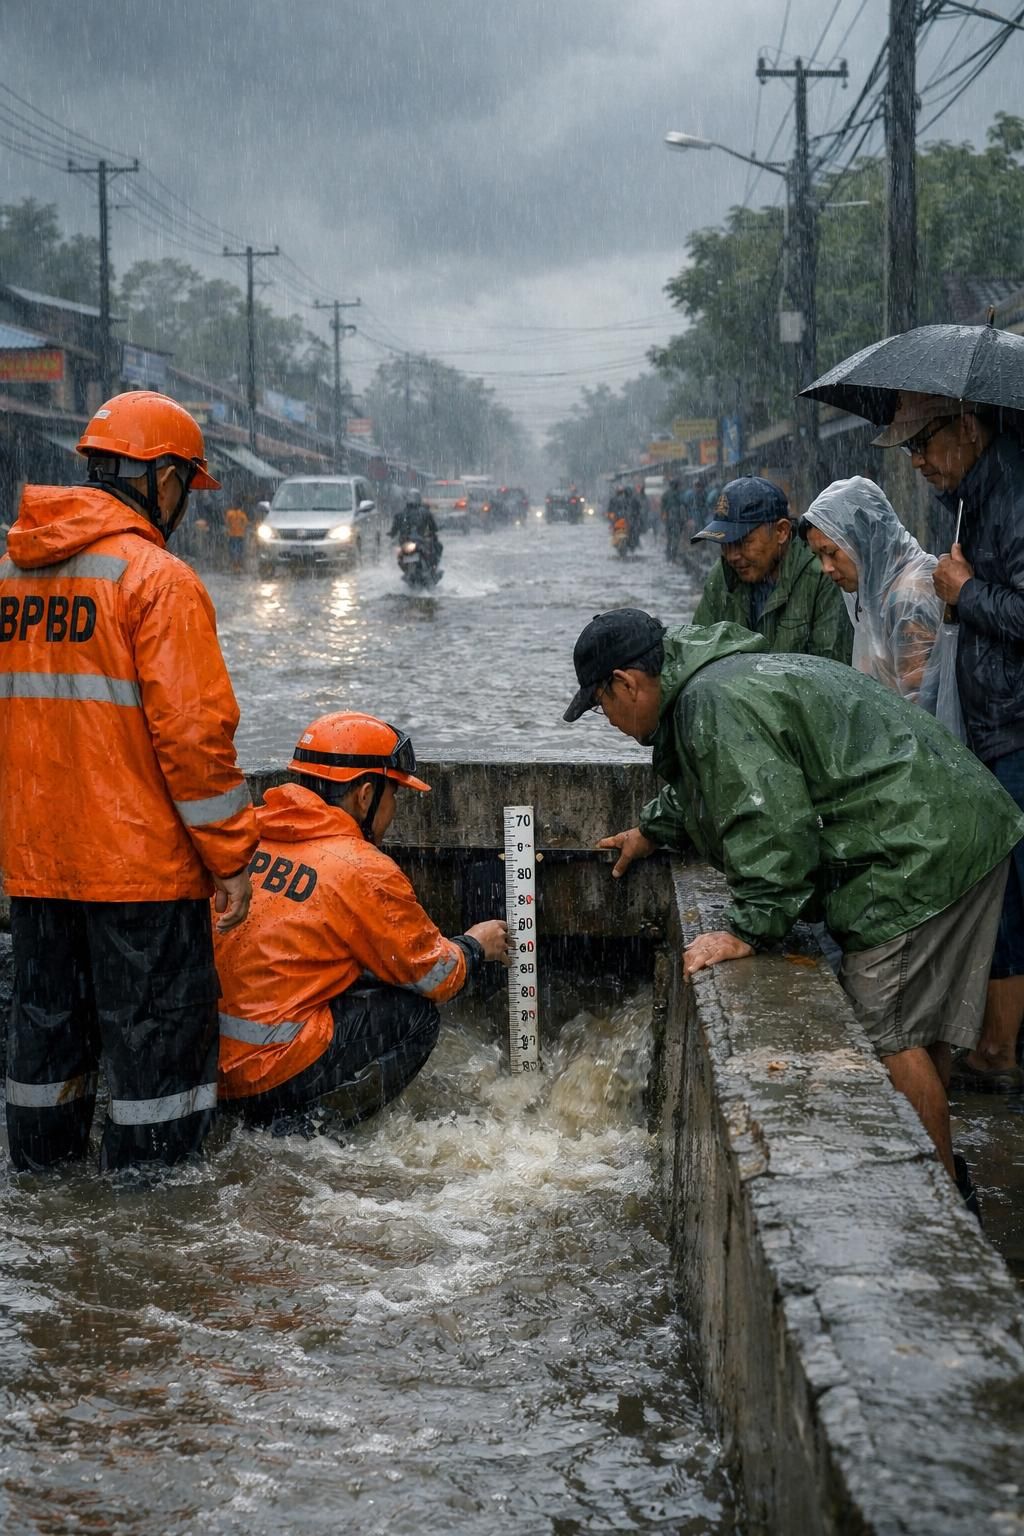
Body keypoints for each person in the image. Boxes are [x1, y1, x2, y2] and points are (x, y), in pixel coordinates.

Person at [563, 607, 1023, 1208]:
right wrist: (651, 830)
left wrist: (750, 927)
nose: (611, 722)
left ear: (626, 683)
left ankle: (938, 1208)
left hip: (918, 850)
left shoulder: (713, 703)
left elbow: (769, 820)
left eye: (601, 708)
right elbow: (725, 780)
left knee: (885, 1035)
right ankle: (937, 1175)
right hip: (954, 822)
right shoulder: (716, 680)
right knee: (914, 1028)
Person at [0, 390, 258, 1173]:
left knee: (46, 1050)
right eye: (187, 485)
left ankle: (47, 1195)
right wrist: (233, 858)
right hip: (140, 879)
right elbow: (195, 743)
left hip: (39, 871)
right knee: (157, 1078)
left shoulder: (13, 572)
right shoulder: (158, 579)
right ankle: (153, 1241)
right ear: (164, 477)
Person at [214, 712, 509, 1128]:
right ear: (366, 796)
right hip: (271, 1071)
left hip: (208, 1068)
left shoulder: (244, 838)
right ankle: (309, 1131)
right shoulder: (360, 868)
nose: (393, 810)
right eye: (395, 796)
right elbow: (435, 976)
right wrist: (475, 946)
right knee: (416, 1016)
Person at [875, 392, 1024, 1091]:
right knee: (1002, 888)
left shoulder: (1015, 488)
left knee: (1011, 889)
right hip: (991, 721)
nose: (918, 461)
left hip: (1016, 724)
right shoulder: (968, 496)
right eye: (908, 449)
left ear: (967, 427)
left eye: (925, 441)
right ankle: (995, 1046)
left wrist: (965, 591)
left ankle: (999, 1049)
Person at [799, 476, 943, 705]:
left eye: (832, 552)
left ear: (864, 540)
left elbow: (922, 702)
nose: (826, 568)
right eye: (819, 556)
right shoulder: (873, 593)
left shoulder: (908, 598)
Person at [691, 477, 852, 664]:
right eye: (725, 545)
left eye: (743, 542)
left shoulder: (823, 576)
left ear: (781, 531)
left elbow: (831, 670)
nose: (732, 556)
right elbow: (698, 651)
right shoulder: (722, 576)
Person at [389, 489, 442, 568]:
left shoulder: (422, 512)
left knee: (436, 547)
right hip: (407, 541)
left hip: (418, 541)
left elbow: (433, 527)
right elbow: (394, 529)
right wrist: (392, 534)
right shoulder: (402, 514)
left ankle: (433, 567)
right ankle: (433, 566)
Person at [661, 473, 687, 563]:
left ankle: (669, 555)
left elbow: (662, 508)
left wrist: (664, 517)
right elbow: (684, 505)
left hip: (669, 519)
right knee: (676, 538)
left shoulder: (665, 494)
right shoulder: (679, 494)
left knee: (669, 538)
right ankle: (673, 556)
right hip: (677, 520)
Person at [224, 501, 249, 572]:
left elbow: (226, 522)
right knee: (240, 550)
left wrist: (230, 528)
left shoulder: (229, 513)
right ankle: (239, 563)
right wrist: (242, 528)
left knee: (232, 550)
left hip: (232, 535)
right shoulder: (242, 514)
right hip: (240, 535)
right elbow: (246, 523)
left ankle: (233, 564)